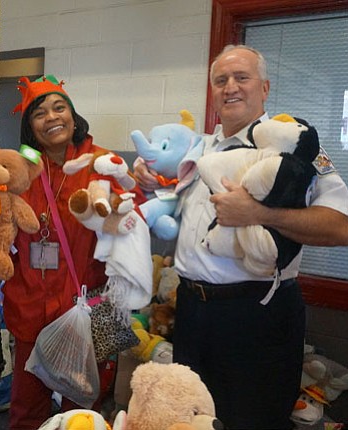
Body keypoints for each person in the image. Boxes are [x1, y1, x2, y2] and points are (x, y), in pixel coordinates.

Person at [134, 44, 348, 429]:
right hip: (193, 310)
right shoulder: (198, 148)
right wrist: (147, 179)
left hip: (258, 315)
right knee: (187, 415)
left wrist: (260, 214)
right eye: (221, 80)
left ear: (264, 88)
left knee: (254, 419)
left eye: (242, 77)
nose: (230, 86)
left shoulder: (295, 146)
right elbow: (165, 193)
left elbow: (340, 227)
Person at [4, 75, 119, 429]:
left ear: (73, 115)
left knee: (85, 409)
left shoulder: (102, 163)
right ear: (29, 127)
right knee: (26, 409)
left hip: (94, 306)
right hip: (30, 308)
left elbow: (131, 220)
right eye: (39, 113)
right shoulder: (19, 173)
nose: (52, 117)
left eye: (59, 107)